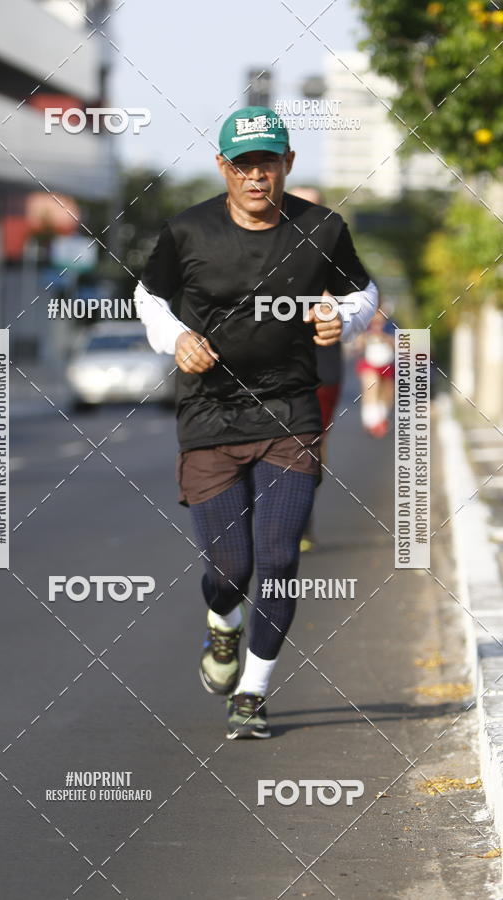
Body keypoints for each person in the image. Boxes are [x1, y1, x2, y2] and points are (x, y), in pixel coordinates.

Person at [135, 106, 378, 739]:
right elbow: (149, 296)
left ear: (287, 163)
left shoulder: (320, 228)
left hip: (290, 411)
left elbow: (362, 291)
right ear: (222, 167)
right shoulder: (188, 231)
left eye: (267, 163)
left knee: (277, 556)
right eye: (242, 165)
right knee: (230, 571)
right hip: (210, 414)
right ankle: (223, 624)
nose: (256, 177)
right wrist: (176, 337)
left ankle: (253, 690)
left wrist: (344, 319)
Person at [289, 186, 344, 552]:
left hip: (322, 367)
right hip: (266, 367)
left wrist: (335, 307)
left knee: (309, 442)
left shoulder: (337, 253)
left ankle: (300, 518)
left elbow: (366, 299)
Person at [356, 310, 396, 438]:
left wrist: (384, 337)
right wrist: (364, 337)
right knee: (372, 387)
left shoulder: (391, 326)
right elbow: (358, 345)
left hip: (387, 364)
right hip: (370, 364)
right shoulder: (366, 326)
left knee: (387, 393)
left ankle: (381, 418)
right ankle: (370, 420)